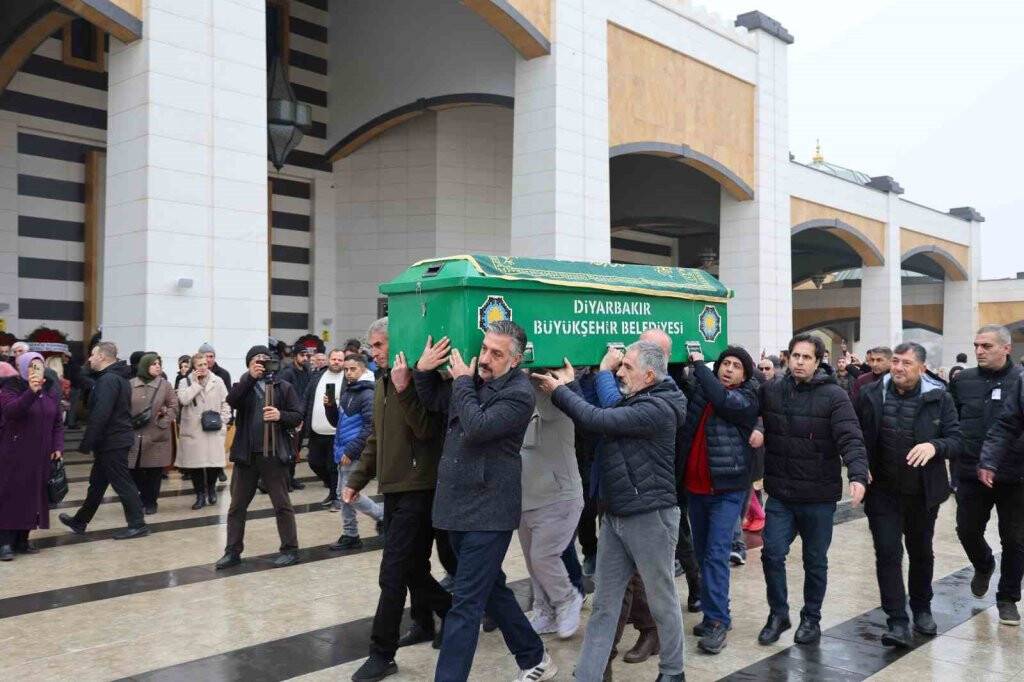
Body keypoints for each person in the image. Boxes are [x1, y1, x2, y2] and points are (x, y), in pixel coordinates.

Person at [536, 340, 687, 682]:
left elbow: (599, 418)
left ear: (649, 375)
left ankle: (673, 673)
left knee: (662, 601)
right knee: (604, 603)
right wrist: (573, 383)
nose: (620, 371)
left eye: (627, 367)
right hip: (617, 513)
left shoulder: (659, 407)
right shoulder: (639, 398)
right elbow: (600, 414)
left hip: (651, 516)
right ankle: (588, 675)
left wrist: (561, 391)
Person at [415, 323, 555, 682]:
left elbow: (478, 427)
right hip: (457, 506)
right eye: (486, 349)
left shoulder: (519, 394)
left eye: (497, 354)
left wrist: (461, 380)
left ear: (515, 359)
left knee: (466, 604)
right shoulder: (475, 383)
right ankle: (534, 656)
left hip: (489, 511)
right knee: (490, 588)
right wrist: (423, 371)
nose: (487, 358)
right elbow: (435, 402)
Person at [341, 318, 451, 682]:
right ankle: (433, 616)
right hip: (395, 487)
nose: (372, 353)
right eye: (372, 347)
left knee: (392, 572)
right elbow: (376, 437)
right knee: (412, 566)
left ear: (397, 342)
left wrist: (406, 389)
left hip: (420, 486)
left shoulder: (418, 380)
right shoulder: (383, 382)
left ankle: (381, 652)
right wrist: (358, 479)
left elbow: (427, 430)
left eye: (378, 346)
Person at [757, 333, 869, 646]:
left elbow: (850, 437)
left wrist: (858, 474)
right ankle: (778, 614)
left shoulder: (834, 396)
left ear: (818, 362)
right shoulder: (771, 390)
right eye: (795, 356)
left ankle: (811, 618)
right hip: (781, 493)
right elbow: (747, 412)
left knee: (815, 561)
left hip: (819, 497)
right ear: (787, 358)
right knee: (772, 553)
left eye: (807, 357)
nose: (800, 362)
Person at [859, 342, 962, 646]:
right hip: (883, 493)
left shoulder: (939, 398)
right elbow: (857, 436)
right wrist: (859, 464)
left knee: (921, 552)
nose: (898, 368)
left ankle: (922, 608)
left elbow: (956, 440)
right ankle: (896, 620)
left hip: (922, 494)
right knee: (888, 553)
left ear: (921, 368)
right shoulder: (870, 394)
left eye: (906, 363)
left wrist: (935, 446)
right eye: (895, 362)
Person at [680, 346, 759, 654]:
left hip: (727, 491)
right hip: (695, 490)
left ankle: (717, 621)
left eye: (736, 365)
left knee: (715, 554)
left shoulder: (745, 399)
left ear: (746, 374)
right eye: (725, 363)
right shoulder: (704, 390)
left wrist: (700, 364)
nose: (728, 369)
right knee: (702, 553)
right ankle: (715, 609)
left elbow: (723, 400)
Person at [954, 325, 1024, 626]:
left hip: (1015, 474)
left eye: (987, 346)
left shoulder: (1019, 380)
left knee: (1015, 539)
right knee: (967, 530)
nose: (979, 351)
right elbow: (949, 421)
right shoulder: (963, 381)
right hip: (971, 471)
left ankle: (1008, 598)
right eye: (976, 345)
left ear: (1006, 348)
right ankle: (983, 564)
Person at [216, 345, 303, 570]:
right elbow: (232, 400)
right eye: (256, 360)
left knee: (281, 504)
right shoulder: (243, 386)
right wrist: (249, 378)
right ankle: (232, 551)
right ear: (249, 364)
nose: (261, 363)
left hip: (273, 455)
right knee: (237, 507)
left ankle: (290, 549)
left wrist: (280, 415)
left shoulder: (283, 387)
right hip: (246, 455)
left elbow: (297, 415)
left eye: (265, 359)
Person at [59, 342, 150, 539]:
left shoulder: (109, 380)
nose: (89, 359)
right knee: (97, 484)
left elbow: (101, 413)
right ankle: (80, 521)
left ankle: (138, 524)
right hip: (112, 440)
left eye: (92, 355)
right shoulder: (114, 377)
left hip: (113, 441)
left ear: (101, 356)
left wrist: (87, 441)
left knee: (122, 483)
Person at [518, 373, 585, 640]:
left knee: (543, 557)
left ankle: (567, 598)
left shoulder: (555, 399)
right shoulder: (518, 400)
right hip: (526, 497)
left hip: (558, 496)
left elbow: (547, 401)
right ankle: (544, 611)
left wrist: (533, 376)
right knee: (533, 563)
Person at [0, 352, 63, 559]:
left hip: (40, 456)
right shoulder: (11, 388)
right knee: (11, 497)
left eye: (39, 366)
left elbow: (56, 422)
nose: (36, 370)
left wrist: (57, 446)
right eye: (31, 366)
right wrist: (31, 392)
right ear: (23, 368)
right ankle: (5, 543)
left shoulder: (50, 390)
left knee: (32, 498)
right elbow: (11, 412)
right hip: (15, 454)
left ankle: (22, 540)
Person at [328, 352, 383, 550]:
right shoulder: (348, 392)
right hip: (342, 450)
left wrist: (351, 450)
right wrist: (330, 408)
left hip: (355, 452)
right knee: (343, 493)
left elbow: (369, 427)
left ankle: (381, 515)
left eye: (353, 369)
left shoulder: (368, 394)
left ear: (364, 370)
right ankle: (350, 533)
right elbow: (338, 423)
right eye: (346, 370)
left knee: (349, 493)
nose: (349, 373)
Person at [176, 353, 231, 510]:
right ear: (194, 367)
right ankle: (200, 495)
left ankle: (211, 489)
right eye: (199, 365)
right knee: (196, 465)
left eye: (205, 364)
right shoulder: (184, 382)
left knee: (213, 464)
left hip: (213, 428)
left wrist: (224, 421)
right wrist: (196, 384)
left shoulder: (217, 380)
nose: (203, 368)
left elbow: (226, 402)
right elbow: (184, 399)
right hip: (193, 430)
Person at [127, 354, 179, 515]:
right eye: (153, 364)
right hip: (135, 434)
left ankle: (151, 502)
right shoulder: (130, 384)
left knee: (154, 472)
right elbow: (122, 406)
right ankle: (141, 497)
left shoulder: (165, 385)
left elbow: (174, 405)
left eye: (159, 363)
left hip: (157, 435)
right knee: (134, 469)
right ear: (144, 366)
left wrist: (164, 421)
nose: (157, 366)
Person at [303, 348, 346, 509]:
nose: (336, 362)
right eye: (334, 359)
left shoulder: (347, 379)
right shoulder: (317, 377)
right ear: (328, 360)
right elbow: (306, 398)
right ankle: (332, 488)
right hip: (316, 431)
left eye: (339, 360)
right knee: (314, 462)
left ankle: (335, 497)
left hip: (337, 432)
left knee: (333, 466)